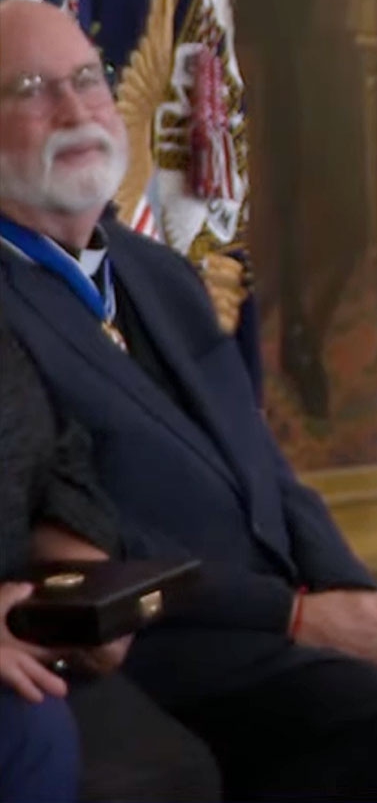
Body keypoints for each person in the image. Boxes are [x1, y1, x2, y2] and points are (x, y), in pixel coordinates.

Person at [0, 0, 377, 801]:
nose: (75, 109)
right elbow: (95, 533)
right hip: (155, 639)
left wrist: (363, 610)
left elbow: (266, 470)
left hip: (272, 625)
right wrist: (298, 620)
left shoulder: (156, 270)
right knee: (351, 707)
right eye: (31, 88)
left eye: (88, 79)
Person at [0, 310, 220, 803]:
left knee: (174, 771)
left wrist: (86, 591)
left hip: (24, 625)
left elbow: (53, 455)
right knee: (39, 733)